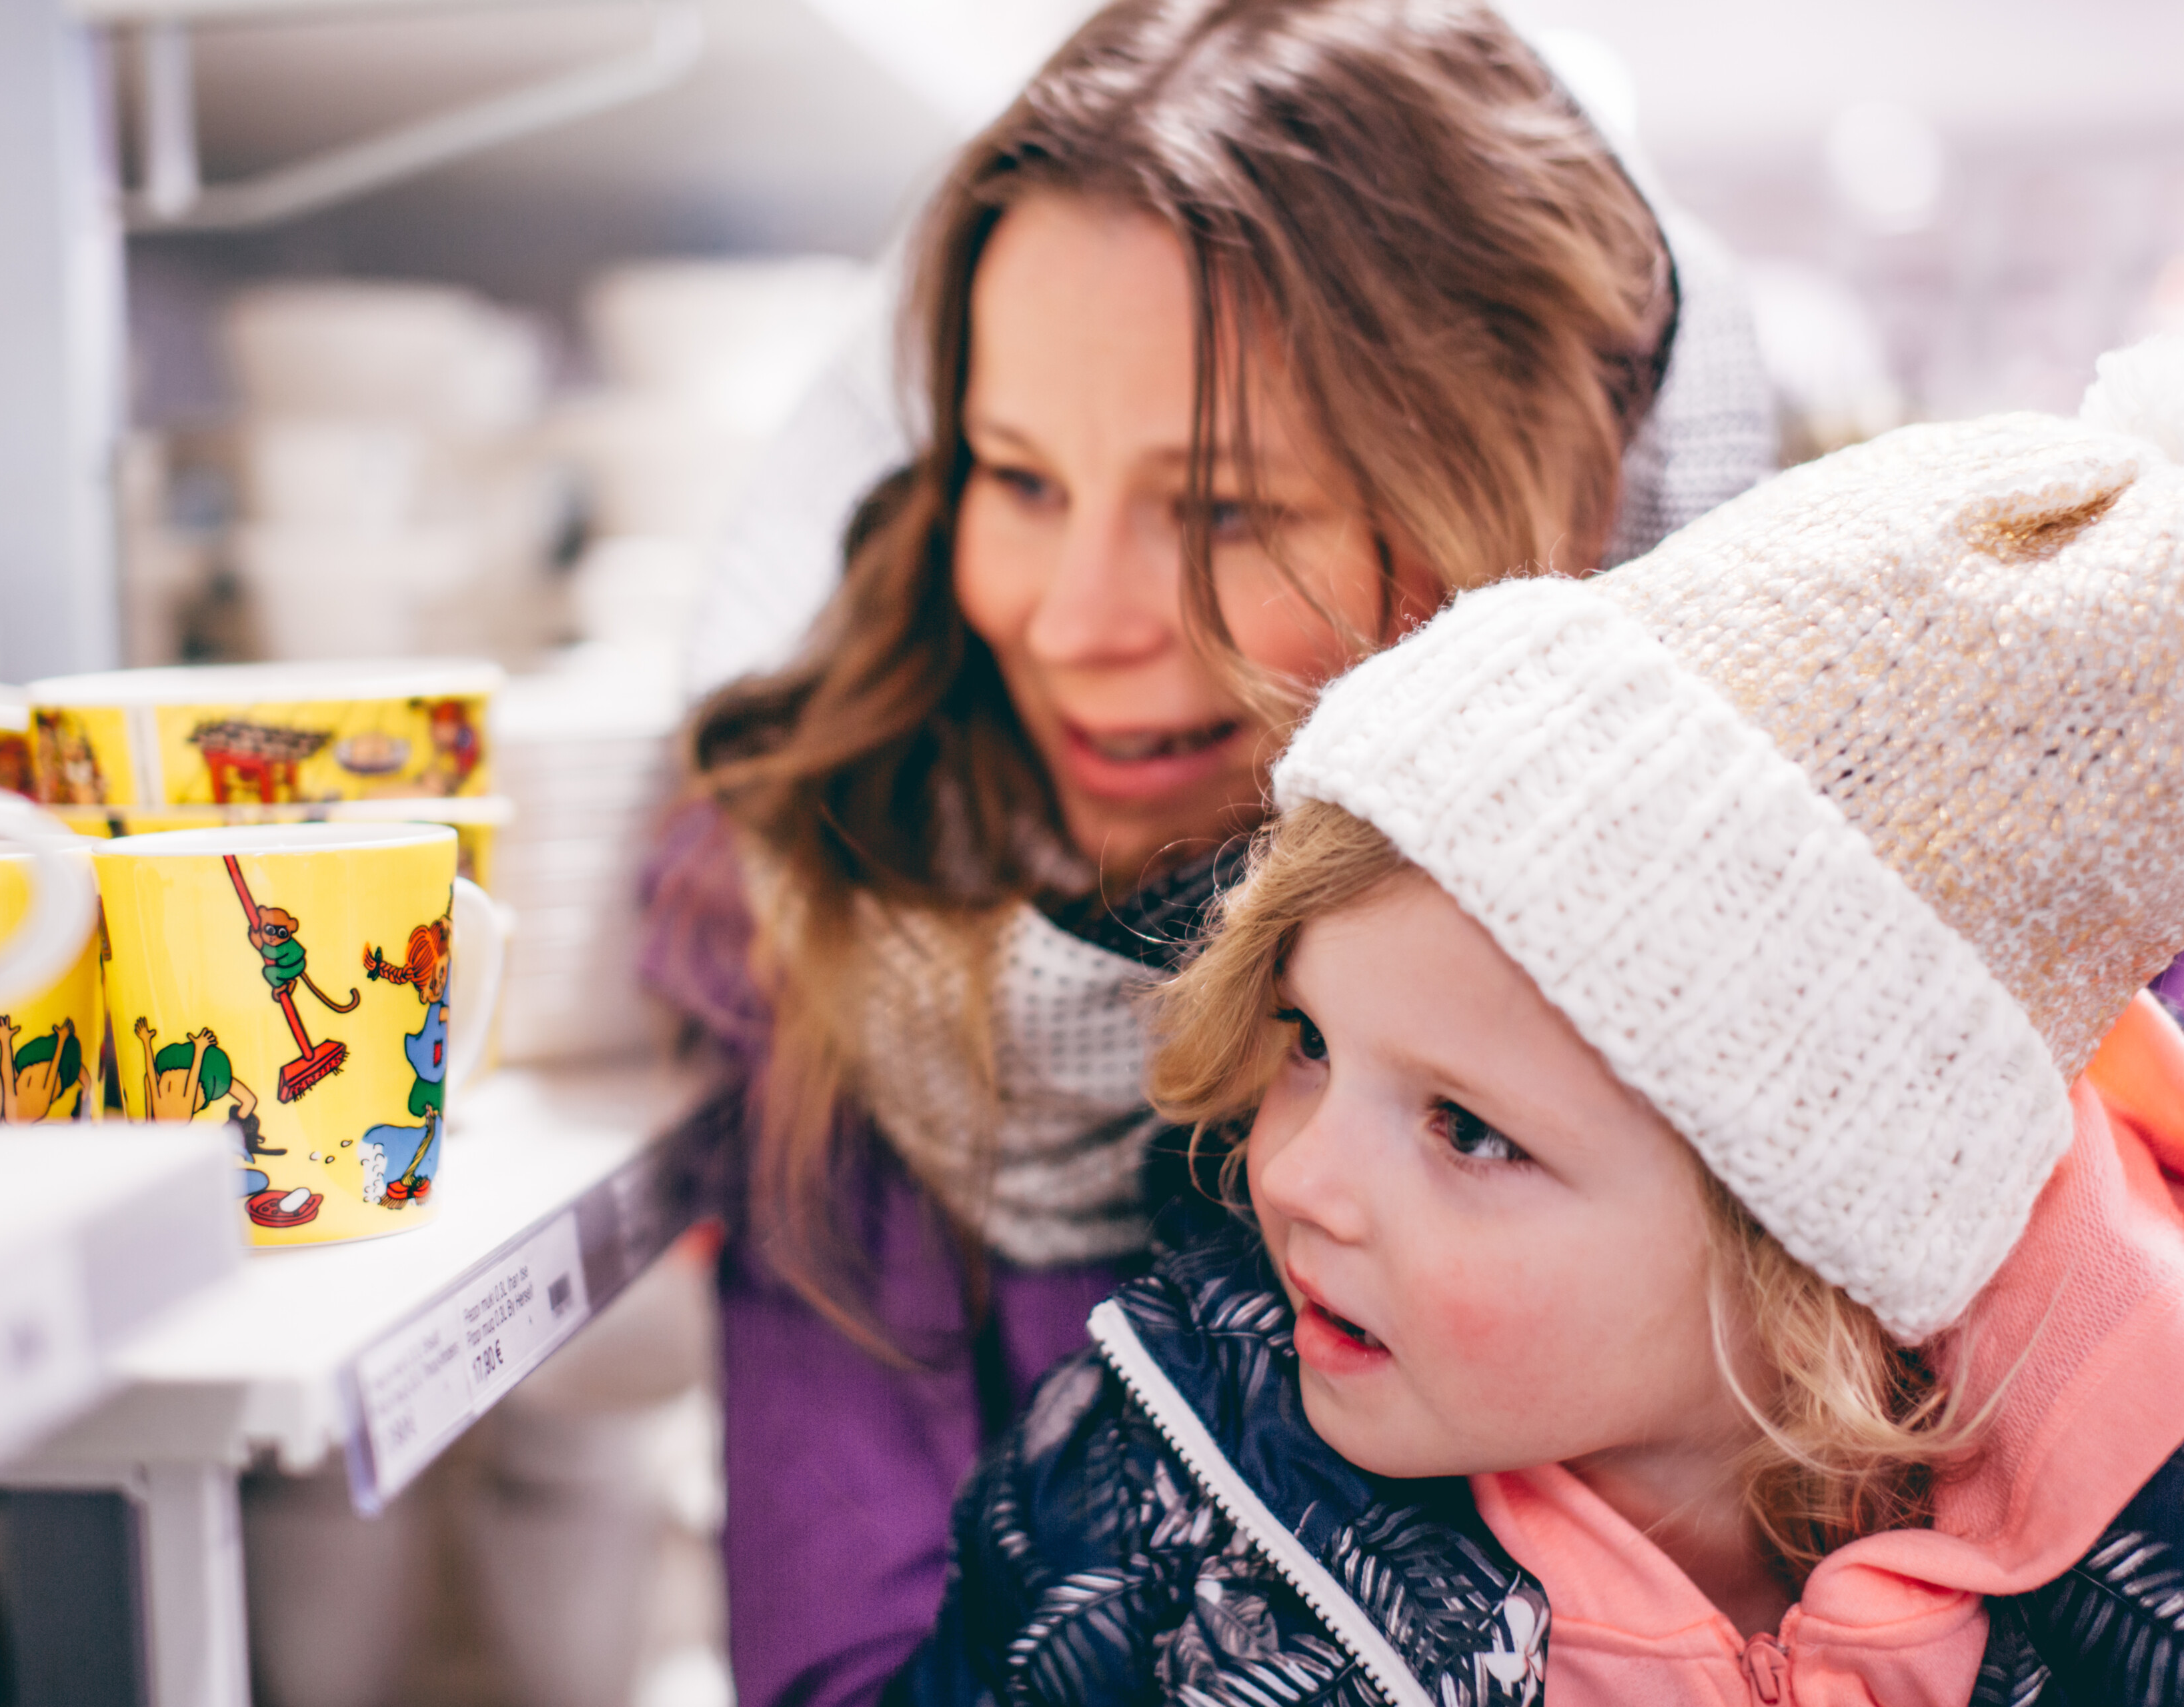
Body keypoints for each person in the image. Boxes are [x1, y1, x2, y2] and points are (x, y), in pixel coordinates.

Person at [640, 3, 1782, 1699]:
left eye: (1223, 510)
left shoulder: (1840, 948)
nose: (1076, 620)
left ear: (1527, 505)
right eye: (1017, 478)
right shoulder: (867, 952)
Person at [899, 341, 2184, 1704]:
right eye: (1310, 1041)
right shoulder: (1140, 1536)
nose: (1301, 1176)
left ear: (1813, 1251)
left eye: (1467, 1130)